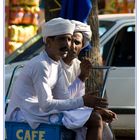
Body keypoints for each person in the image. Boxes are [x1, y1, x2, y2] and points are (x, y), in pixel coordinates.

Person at [6, 17, 117, 140]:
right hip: (26, 112)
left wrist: (90, 107)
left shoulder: (56, 63)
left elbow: (64, 98)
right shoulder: (41, 64)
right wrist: (83, 102)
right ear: (48, 41)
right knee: (94, 119)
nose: (67, 45)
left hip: (40, 111)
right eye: (62, 39)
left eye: (69, 39)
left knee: (95, 116)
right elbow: (46, 105)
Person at [53, 20, 117, 140]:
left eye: (77, 42)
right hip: (52, 110)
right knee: (96, 119)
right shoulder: (55, 64)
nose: (72, 46)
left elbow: (77, 98)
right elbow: (62, 100)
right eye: (69, 40)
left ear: (82, 46)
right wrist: (82, 77)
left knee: (101, 120)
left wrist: (95, 109)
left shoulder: (78, 65)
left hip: (68, 109)